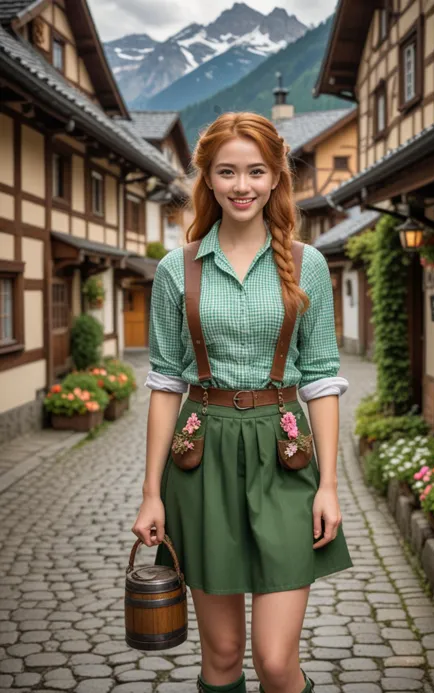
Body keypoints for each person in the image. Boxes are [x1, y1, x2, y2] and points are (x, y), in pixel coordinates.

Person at [132, 111, 353, 693]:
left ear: (278, 175)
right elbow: (163, 385)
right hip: (199, 459)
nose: (241, 186)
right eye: (226, 172)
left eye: (256, 171)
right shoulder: (174, 271)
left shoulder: (307, 264)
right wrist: (152, 494)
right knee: (223, 655)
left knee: (276, 663)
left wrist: (329, 484)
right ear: (207, 178)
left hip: (285, 456)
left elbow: (323, 382)